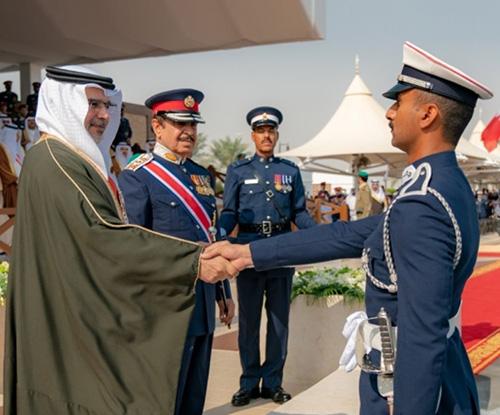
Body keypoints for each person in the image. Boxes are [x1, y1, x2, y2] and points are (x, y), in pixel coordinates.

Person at [203, 41, 492, 415]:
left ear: (428, 115)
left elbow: (423, 336)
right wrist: (248, 253)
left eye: (398, 102)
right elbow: (350, 234)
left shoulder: (424, 202)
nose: (389, 113)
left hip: (402, 387)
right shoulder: (439, 184)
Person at [4, 65, 237, 415]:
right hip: (147, 301)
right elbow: (104, 235)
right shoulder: (56, 160)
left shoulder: (64, 158)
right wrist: (192, 261)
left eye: (105, 106)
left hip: (152, 300)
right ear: (64, 103)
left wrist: (217, 288)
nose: (102, 114)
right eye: (92, 104)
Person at [118, 88, 234, 415]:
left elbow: (211, 236)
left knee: (195, 390)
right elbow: (134, 245)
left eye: (193, 125)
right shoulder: (138, 175)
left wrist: (223, 292)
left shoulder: (200, 175)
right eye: (181, 124)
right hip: (164, 302)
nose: (189, 132)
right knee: (164, 392)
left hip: (204, 297)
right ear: (157, 127)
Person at [220, 106, 316, 406]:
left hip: (280, 251)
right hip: (247, 251)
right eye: (261, 131)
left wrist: (320, 235)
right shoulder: (238, 170)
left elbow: (299, 211)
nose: (266, 135)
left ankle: (273, 382)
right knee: (248, 323)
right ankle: (249, 382)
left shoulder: (289, 171)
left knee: (278, 323)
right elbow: (229, 212)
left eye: (271, 131)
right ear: (253, 135)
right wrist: (220, 235)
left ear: (276, 134)